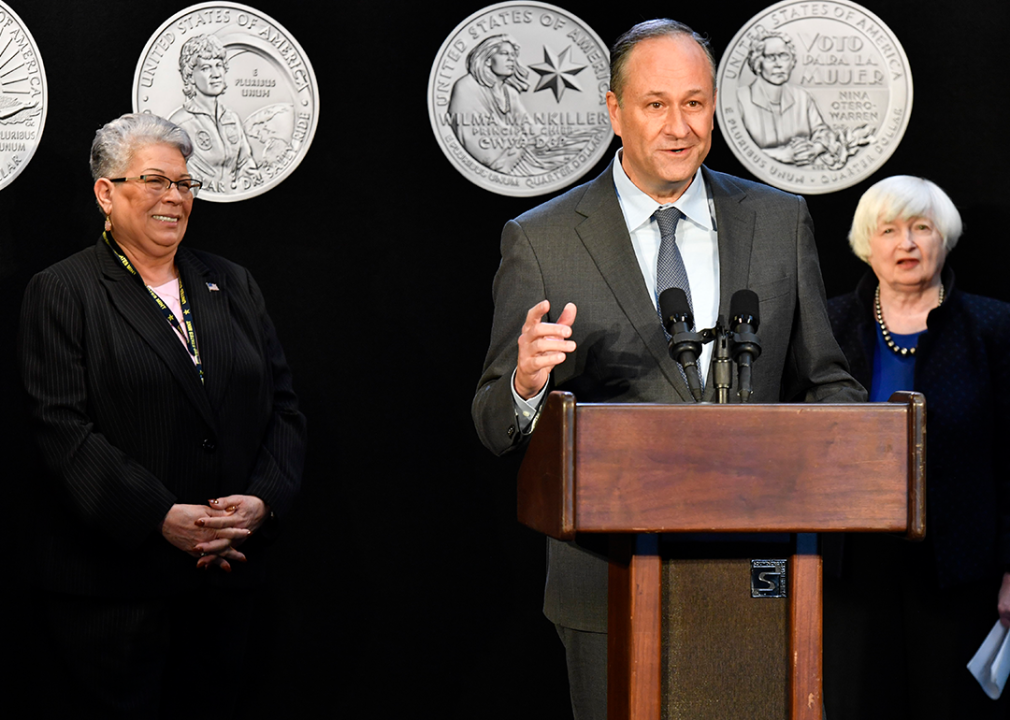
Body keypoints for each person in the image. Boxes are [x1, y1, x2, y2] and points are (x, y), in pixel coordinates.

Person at [471, 19, 864, 719]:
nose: (679, 126)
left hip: (760, 570)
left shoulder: (780, 220)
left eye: (695, 102)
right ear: (614, 111)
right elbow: (494, 423)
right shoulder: (542, 239)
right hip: (606, 581)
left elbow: (825, 379)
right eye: (655, 105)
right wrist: (527, 384)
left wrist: (851, 446)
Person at [18, 113, 306, 717]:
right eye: (155, 180)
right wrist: (159, 515)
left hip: (227, 581)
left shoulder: (233, 282)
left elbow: (282, 405)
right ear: (107, 192)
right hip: (116, 594)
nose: (174, 197)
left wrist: (263, 500)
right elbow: (62, 430)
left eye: (183, 183)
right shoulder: (63, 290)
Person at [823, 176, 1010, 719]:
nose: (906, 243)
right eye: (889, 230)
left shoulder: (993, 326)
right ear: (866, 243)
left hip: (958, 572)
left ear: (943, 239)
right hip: (852, 571)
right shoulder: (828, 325)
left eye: (921, 228)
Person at [169, 34, 261, 194]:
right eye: (205, 68)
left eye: (219, 65)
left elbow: (246, 163)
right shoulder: (179, 124)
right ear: (189, 75)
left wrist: (247, 181)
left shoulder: (232, 118)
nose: (216, 74)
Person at [448, 33, 539, 174]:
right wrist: (520, 138)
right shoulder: (466, 87)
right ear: (488, 60)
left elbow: (531, 128)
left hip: (518, 161)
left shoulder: (510, 93)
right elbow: (476, 143)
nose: (511, 59)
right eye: (504, 54)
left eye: (513, 55)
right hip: (498, 165)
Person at [736, 31, 831, 165]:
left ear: (792, 61)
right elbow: (736, 148)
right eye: (770, 57)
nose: (778, 64)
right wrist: (779, 154)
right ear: (757, 62)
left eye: (783, 56)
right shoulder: (740, 99)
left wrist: (814, 149)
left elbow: (823, 132)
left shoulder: (802, 97)